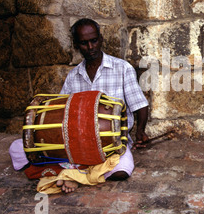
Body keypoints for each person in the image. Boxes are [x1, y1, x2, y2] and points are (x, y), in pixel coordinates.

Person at [9, 18, 149, 193]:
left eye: (94, 41)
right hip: (77, 145)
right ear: (76, 46)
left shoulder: (122, 68)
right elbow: (59, 111)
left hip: (111, 146)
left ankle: (72, 174)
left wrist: (140, 131)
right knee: (17, 148)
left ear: (101, 39)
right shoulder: (73, 76)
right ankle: (84, 172)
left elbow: (140, 104)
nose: (90, 47)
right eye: (84, 43)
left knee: (122, 170)